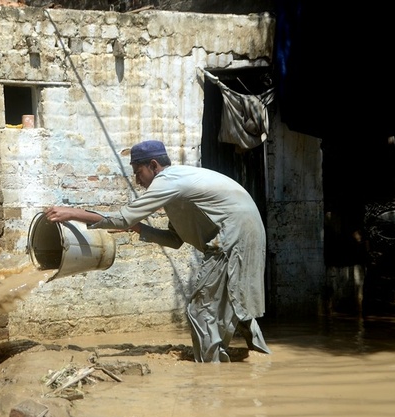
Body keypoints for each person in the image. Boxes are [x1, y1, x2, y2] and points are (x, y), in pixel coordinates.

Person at [44, 140, 271, 362]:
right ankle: (261, 359)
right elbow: (175, 240)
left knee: (201, 310)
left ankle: (210, 374)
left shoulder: (167, 180)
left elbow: (122, 218)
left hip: (231, 237)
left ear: (153, 165)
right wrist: (140, 228)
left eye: (138, 171)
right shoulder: (179, 185)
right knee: (236, 301)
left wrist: (73, 213)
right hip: (248, 232)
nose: (137, 180)